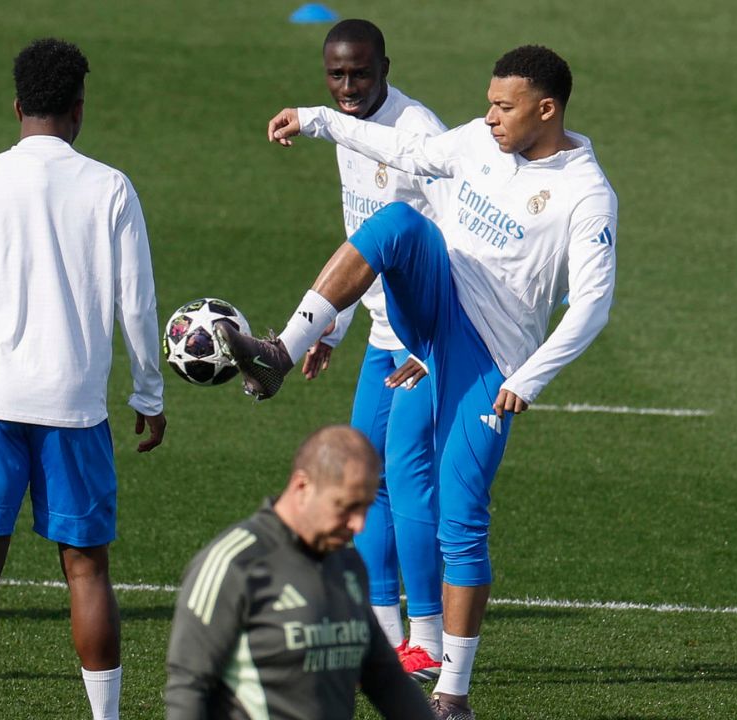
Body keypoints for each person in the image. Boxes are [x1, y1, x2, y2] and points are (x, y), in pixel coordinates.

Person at [217, 45, 617, 719]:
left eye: (504, 106)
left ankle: (451, 694)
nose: (489, 116)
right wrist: (317, 119)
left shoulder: (586, 193)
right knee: (398, 222)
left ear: (546, 110)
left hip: (490, 358)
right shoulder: (480, 143)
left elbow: (593, 306)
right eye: (489, 102)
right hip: (434, 307)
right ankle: (281, 352)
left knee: (461, 515)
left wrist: (532, 376)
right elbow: (404, 152)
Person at [0, 38, 166, 720]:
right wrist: (149, 392)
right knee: (86, 569)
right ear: (79, 109)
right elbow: (136, 304)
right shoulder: (110, 187)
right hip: (76, 407)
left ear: (18, 105)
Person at [299, 19, 447, 681]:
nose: (350, 86)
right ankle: (387, 638)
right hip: (382, 339)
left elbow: (462, 242)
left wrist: (439, 342)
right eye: (338, 75)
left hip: (429, 341)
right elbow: (363, 237)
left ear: (386, 64)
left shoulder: (419, 131)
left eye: (361, 73)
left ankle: (434, 639)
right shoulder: (342, 128)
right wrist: (333, 327)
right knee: (366, 480)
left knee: (412, 479)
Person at [164, 425, 434, 720]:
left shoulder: (348, 565)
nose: (359, 525)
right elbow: (188, 688)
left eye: (365, 508)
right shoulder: (234, 565)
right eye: (346, 507)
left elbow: (383, 676)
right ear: (302, 487)